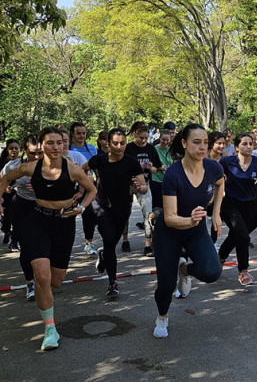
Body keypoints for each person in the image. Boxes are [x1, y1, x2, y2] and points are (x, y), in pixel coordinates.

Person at [0, 127, 96, 350]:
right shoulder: (29, 167)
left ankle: (47, 304)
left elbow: (92, 190)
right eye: (50, 143)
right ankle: (50, 328)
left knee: (56, 280)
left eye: (59, 143)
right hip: (37, 221)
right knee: (42, 277)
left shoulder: (72, 169)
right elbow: (4, 178)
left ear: (64, 145)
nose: (55, 147)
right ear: (41, 146)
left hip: (64, 223)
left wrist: (81, 208)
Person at [152, 124, 224, 338]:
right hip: (169, 232)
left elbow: (221, 184)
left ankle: (184, 271)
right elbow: (170, 218)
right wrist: (190, 220)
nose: (202, 147)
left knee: (212, 271)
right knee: (166, 285)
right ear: (184, 143)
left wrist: (216, 213)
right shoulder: (173, 175)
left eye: (205, 142)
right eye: (196, 142)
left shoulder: (213, 168)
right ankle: (162, 316)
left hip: (196, 228)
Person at [82, 128, 147, 296]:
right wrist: (88, 180)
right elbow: (83, 169)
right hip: (101, 205)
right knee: (109, 241)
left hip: (122, 207)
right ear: (108, 144)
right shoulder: (99, 160)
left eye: (123, 143)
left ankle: (103, 254)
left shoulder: (131, 162)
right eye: (115, 143)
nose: (119, 147)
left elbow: (144, 187)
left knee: (111, 244)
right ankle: (113, 282)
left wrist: (140, 187)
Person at [218, 132, 257, 285]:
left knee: (238, 235)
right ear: (237, 146)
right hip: (230, 205)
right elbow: (214, 177)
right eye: (245, 144)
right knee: (242, 236)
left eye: (251, 144)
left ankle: (221, 256)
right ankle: (243, 271)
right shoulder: (227, 162)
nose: (249, 146)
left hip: (251, 206)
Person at [1, 135, 43, 298]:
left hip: (44, 206)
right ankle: (30, 284)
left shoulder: (49, 165)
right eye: (32, 153)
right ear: (24, 151)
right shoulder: (13, 165)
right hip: (22, 206)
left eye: (40, 153)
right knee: (26, 247)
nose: (37, 157)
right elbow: (2, 179)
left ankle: (44, 277)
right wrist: (5, 189)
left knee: (45, 245)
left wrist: (41, 186)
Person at [122, 122, 162, 256]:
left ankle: (148, 244)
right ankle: (125, 240)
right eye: (141, 137)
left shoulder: (151, 149)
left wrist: (151, 167)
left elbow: (156, 168)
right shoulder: (128, 148)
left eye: (146, 138)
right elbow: (122, 168)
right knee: (124, 212)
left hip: (145, 183)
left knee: (148, 213)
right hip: (128, 184)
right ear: (135, 135)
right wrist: (136, 167)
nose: (144, 140)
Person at [68, 122, 98, 256]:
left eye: (84, 133)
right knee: (69, 215)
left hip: (87, 185)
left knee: (89, 213)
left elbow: (95, 166)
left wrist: (96, 179)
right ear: (72, 134)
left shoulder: (92, 149)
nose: (81, 136)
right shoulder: (68, 149)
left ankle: (88, 242)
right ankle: (66, 244)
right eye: (78, 133)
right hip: (69, 186)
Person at [0, 138, 21, 247]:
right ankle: (6, 231)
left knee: (16, 217)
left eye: (16, 148)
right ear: (7, 150)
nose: (14, 150)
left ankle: (14, 239)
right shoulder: (2, 162)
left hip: (18, 193)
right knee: (6, 216)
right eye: (11, 148)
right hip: (4, 193)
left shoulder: (23, 162)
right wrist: (5, 186)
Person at [207, 131, 226, 243]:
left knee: (218, 215)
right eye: (219, 143)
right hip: (204, 191)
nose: (222, 146)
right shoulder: (204, 156)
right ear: (211, 144)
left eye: (223, 143)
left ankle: (212, 243)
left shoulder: (226, 158)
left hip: (218, 192)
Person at [152, 129, 174, 215]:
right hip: (156, 179)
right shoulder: (154, 149)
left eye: (167, 140)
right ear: (159, 138)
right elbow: (151, 164)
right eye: (163, 139)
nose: (165, 142)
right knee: (157, 204)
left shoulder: (171, 150)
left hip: (168, 180)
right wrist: (159, 167)